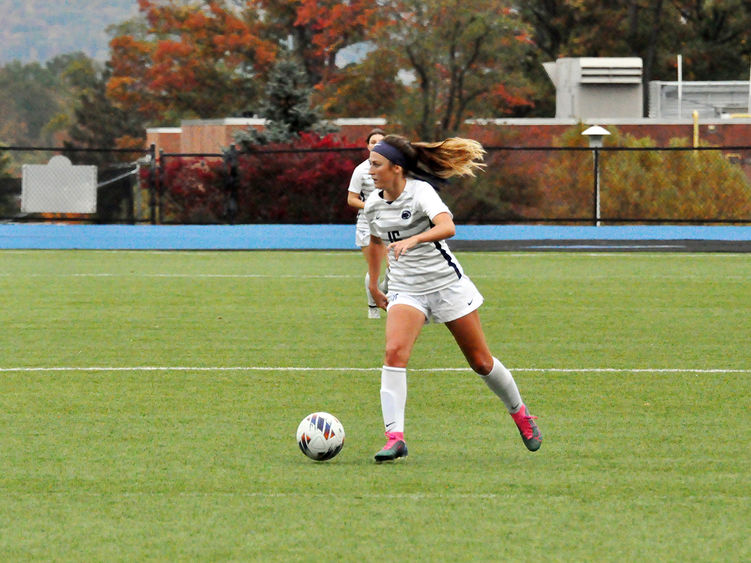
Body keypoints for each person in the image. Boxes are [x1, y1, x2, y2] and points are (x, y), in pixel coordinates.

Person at [363, 134, 542, 462]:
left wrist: (414, 239)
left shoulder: (421, 192)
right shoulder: (373, 204)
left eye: (376, 164)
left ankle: (521, 414)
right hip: (406, 289)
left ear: (397, 169)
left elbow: (447, 227)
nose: (370, 169)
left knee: (481, 362)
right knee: (394, 353)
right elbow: (375, 243)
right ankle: (394, 437)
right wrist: (374, 284)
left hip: (446, 285)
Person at [347, 128, 388, 318]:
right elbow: (351, 199)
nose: (377, 145)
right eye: (373, 142)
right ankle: (373, 308)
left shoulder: (394, 167)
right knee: (375, 266)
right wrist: (369, 206)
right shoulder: (361, 170)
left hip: (390, 224)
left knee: (393, 266)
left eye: (381, 142)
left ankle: (384, 296)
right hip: (367, 223)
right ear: (367, 145)